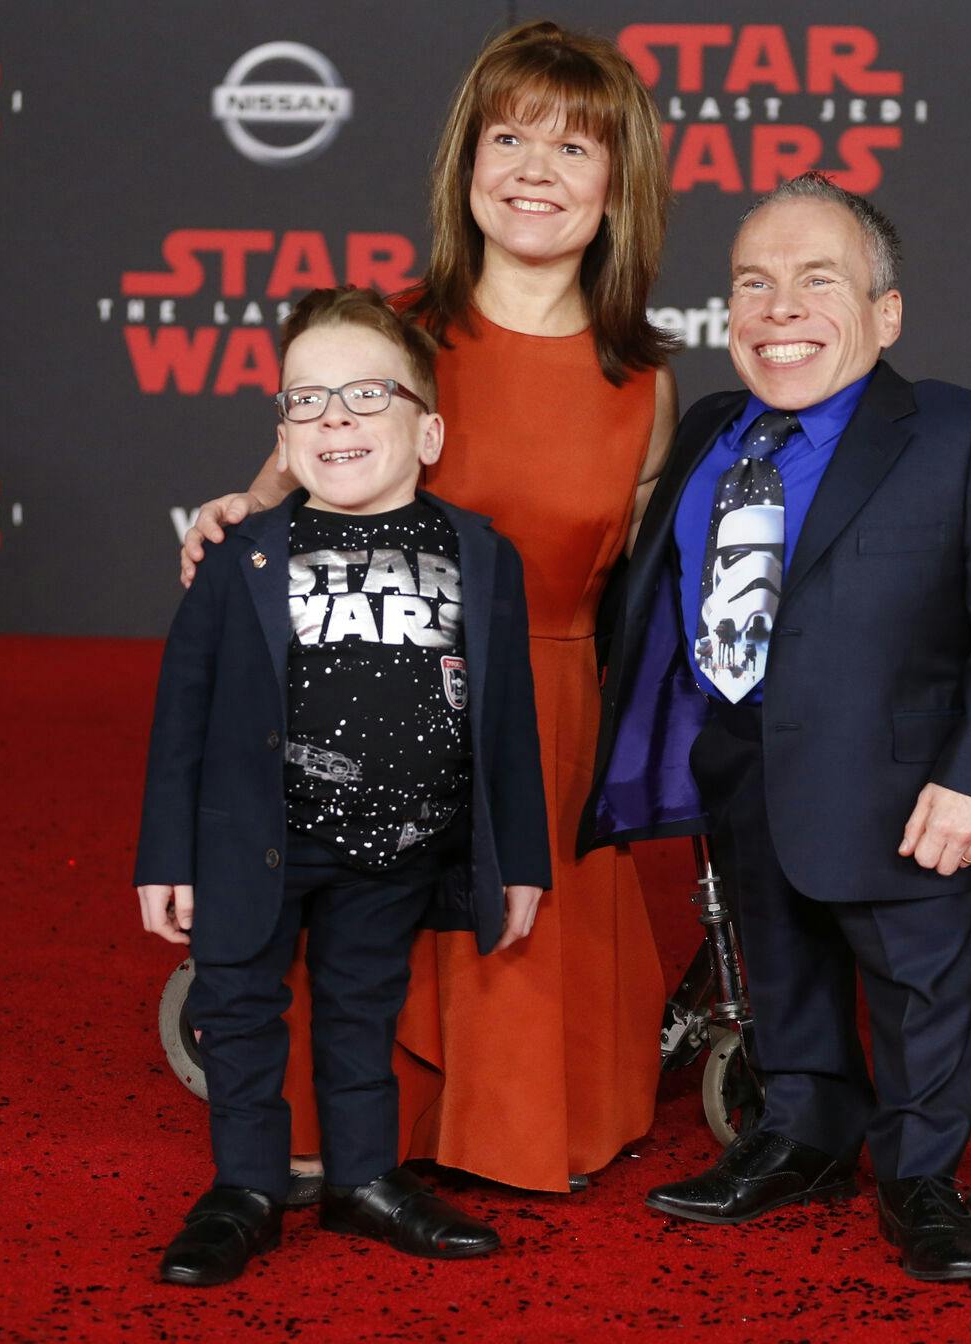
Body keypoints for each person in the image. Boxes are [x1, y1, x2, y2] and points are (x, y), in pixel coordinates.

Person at [178, 21, 678, 1196]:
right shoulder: (390, 336)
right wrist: (230, 514)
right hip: (362, 707)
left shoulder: (643, 381)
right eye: (508, 137)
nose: (534, 171)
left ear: (620, 186)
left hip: (542, 719)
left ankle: (495, 1121)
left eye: (573, 147)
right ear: (466, 164)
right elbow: (280, 495)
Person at [579, 173, 971, 1283]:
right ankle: (801, 1135)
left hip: (908, 789)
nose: (778, 308)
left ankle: (920, 1178)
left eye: (816, 281)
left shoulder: (956, 431)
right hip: (743, 764)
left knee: (918, 989)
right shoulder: (709, 427)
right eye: (754, 283)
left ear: (885, 314)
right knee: (780, 969)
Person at [134, 287, 549, 1285]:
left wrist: (522, 858)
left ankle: (365, 1178)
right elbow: (181, 711)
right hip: (257, 838)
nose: (334, 421)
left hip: (398, 847)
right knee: (237, 1006)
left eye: (366, 395)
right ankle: (246, 1186)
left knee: (364, 1006)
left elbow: (507, 722)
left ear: (430, 428)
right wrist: (165, 854)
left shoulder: (479, 554)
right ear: (281, 430)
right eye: (305, 401)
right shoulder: (240, 556)